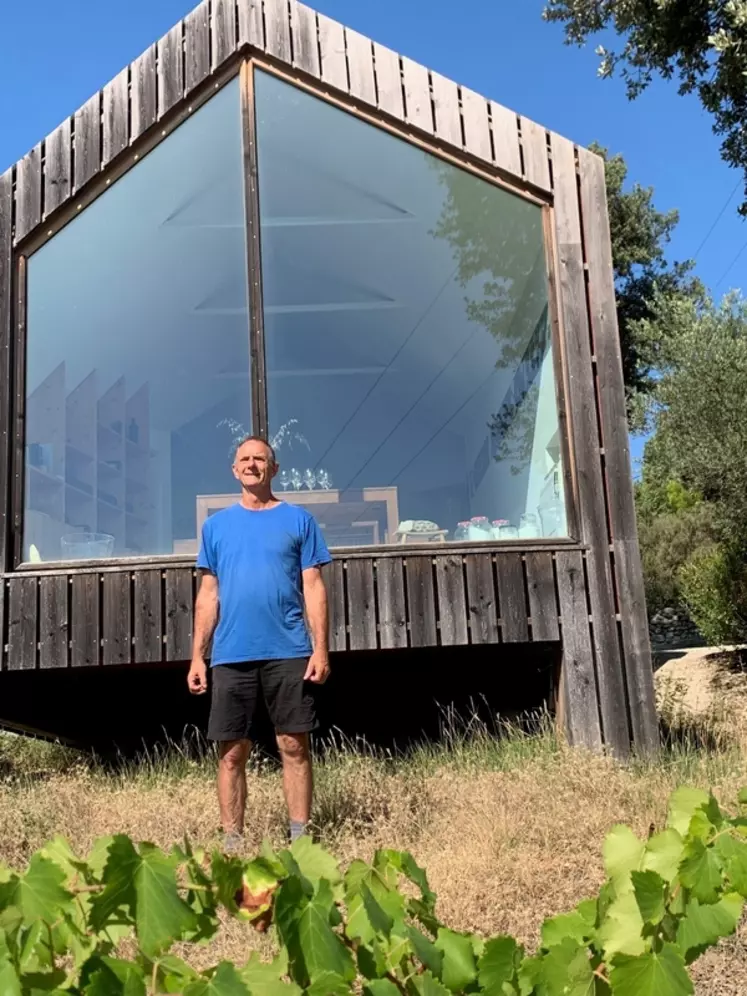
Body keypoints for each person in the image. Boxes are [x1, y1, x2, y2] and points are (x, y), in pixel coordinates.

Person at [187, 435, 331, 851]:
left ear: (274, 468)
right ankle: (233, 843)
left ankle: (301, 843)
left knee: (293, 745)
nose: (252, 465)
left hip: (288, 649)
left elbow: (314, 586)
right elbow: (208, 595)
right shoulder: (215, 527)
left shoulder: (298, 520)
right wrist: (198, 655)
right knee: (231, 752)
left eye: (260, 459)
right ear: (235, 470)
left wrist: (320, 647)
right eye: (244, 460)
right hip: (231, 654)